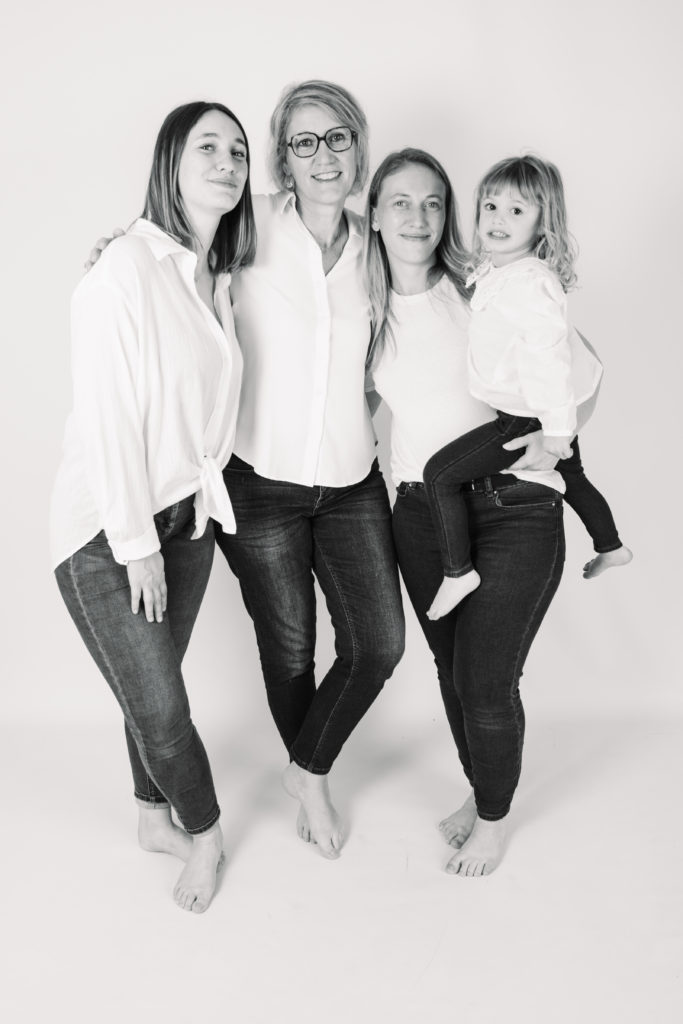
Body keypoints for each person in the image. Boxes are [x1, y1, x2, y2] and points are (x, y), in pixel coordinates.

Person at [51, 101, 256, 912]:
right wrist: (135, 543)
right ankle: (204, 833)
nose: (227, 161)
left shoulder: (217, 278)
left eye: (239, 151)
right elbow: (107, 416)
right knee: (163, 708)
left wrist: (190, 518)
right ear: (169, 162)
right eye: (206, 146)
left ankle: (150, 818)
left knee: (153, 689)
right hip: (110, 530)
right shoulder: (124, 269)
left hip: (189, 520)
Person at [365, 148, 570, 876]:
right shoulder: (359, 307)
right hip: (423, 512)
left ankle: (491, 819)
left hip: (515, 508)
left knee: (486, 680)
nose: (417, 216)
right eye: (399, 201)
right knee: (453, 672)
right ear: (375, 214)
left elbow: (574, 369)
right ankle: (482, 787)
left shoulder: (489, 284)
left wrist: (549, 446)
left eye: (432, 202)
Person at [214, 81, 405, 859]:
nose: (322, 155)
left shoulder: (382, 245)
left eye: (336, 139)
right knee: (289, 648)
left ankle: (303, 766)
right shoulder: (248, 224)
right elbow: (170, 243)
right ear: (282, 160)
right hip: (258, 481)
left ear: (358, 146)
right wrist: (116, 246)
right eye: (303, 142)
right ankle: (315, 780)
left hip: (352, 480)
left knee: (378, 644)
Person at [421, 155, 632, 619]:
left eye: (517, 211)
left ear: (543, 222)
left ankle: (459, 573)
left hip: (526, 418)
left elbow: (548, 357)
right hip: (538, 412)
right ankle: (610, 545)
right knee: (573, 479)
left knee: (438, 475)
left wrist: (557, 432)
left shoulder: (530, 284)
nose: (499, 219)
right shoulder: (501, 271)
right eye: (491, 207)